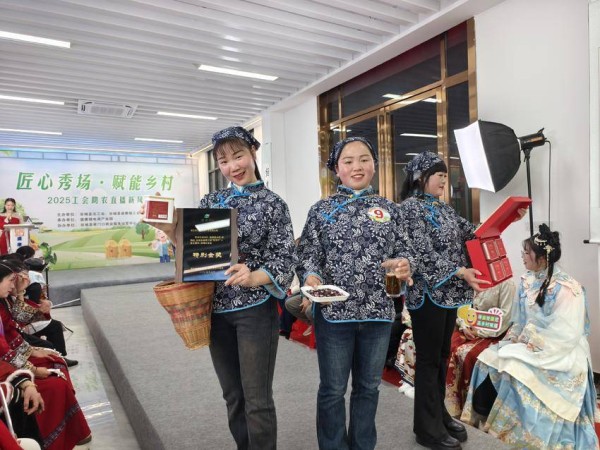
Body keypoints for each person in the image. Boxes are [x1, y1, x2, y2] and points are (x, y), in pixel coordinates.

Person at [146, 127, 297, 450]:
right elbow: (195, 254)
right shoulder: (212, 201)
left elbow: (285, 258)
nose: (232, 166)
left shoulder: (274, 204)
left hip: (255, 312)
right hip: (215, 310)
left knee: (257, 398)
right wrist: (171, 231)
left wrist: (254, 276)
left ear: (253, 152)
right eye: (224, 161)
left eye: (238, 156)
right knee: (233, 395)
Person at [296, 136, 411, 450]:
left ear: (374, 165)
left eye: (364, 159)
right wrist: (311, 275)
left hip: (378, 313)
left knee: (368, 388)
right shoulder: (322, 210)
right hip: (334, 314)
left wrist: (405, 265)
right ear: (337, 168)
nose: (356, 166)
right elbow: (308, 253)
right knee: (333, 390)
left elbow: (405, 252)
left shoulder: (391, 210)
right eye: (348, 161)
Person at [397, 151, 516, 450]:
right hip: (427, 295)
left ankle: (438, 415)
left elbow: (472, 234)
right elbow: (420, 253)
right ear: (420, 177)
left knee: (441, 357)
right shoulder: (409, 209)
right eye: (438, 175)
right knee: (428, 360)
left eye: (444, 175)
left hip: (448, 296)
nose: (443, 180)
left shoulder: (444, 209)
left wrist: (506, 219)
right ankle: (426, 429)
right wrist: (459, 270)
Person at [461, 225, 599, 449]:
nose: (522, 257)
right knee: (487, 359)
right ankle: (484, 418)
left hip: (558, 351)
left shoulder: (568, 288)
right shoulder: (527, 280)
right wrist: (514, 337)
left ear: (542, 258)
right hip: (529, 343)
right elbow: (519, 320)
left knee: (514, 370)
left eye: (527, 253)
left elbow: (568, 334)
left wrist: (529, 339)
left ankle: (518, 434)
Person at [0, 260, 92, 449]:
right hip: (8, 369)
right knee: (55, 381)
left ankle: (74, 433)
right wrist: (30, 372)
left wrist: (19, 293)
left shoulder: (4, 299)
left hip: (10, 361)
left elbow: (13, 331)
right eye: (12, 279)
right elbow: (14, 332)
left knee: (55, 361)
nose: (15, 282)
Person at [444, 279, 515, 418]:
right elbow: (462, 305)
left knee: (468, 354)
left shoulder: (506, 283)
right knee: (447, 345)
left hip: (493, 333)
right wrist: (464, 326)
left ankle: (466, 406)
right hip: (468, 327)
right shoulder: (471, 276)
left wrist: (480, 332)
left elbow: (506, 317)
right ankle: (446, 401)